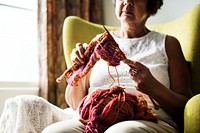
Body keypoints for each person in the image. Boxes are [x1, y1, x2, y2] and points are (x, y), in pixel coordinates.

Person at [0, 0, 192, 133]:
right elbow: (75, 104)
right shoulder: (98, 42)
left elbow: (185, 105)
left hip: (149, 119)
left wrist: (154, 88)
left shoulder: (168, 44)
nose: (127, 1)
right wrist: (80, 69)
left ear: (151, 4)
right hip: (94, 118)